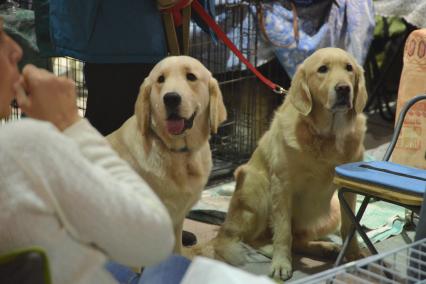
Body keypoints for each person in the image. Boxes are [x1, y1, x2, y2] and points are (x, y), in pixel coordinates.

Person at [0, 17, 193, 283]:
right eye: (0, 38)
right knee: (176, 266)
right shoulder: (21, 145)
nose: (16, 49)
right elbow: (154, 239)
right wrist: (71, 124)